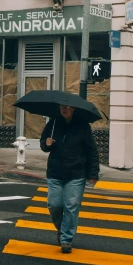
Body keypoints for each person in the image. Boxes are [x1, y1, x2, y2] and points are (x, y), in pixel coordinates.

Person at [40, 104, 99, 254]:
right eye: (62, 107)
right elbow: (44, 144)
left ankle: (66, 239)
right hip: (55, 172)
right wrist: (46, 144)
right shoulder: (53, 123)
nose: (64, 110)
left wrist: (93, 174)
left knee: (71, 206)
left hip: (76, 173)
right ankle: (62, 229)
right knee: (54, 205)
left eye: (67, 107)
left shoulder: (82, 126)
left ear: (74, 109)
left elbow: (92, 151)